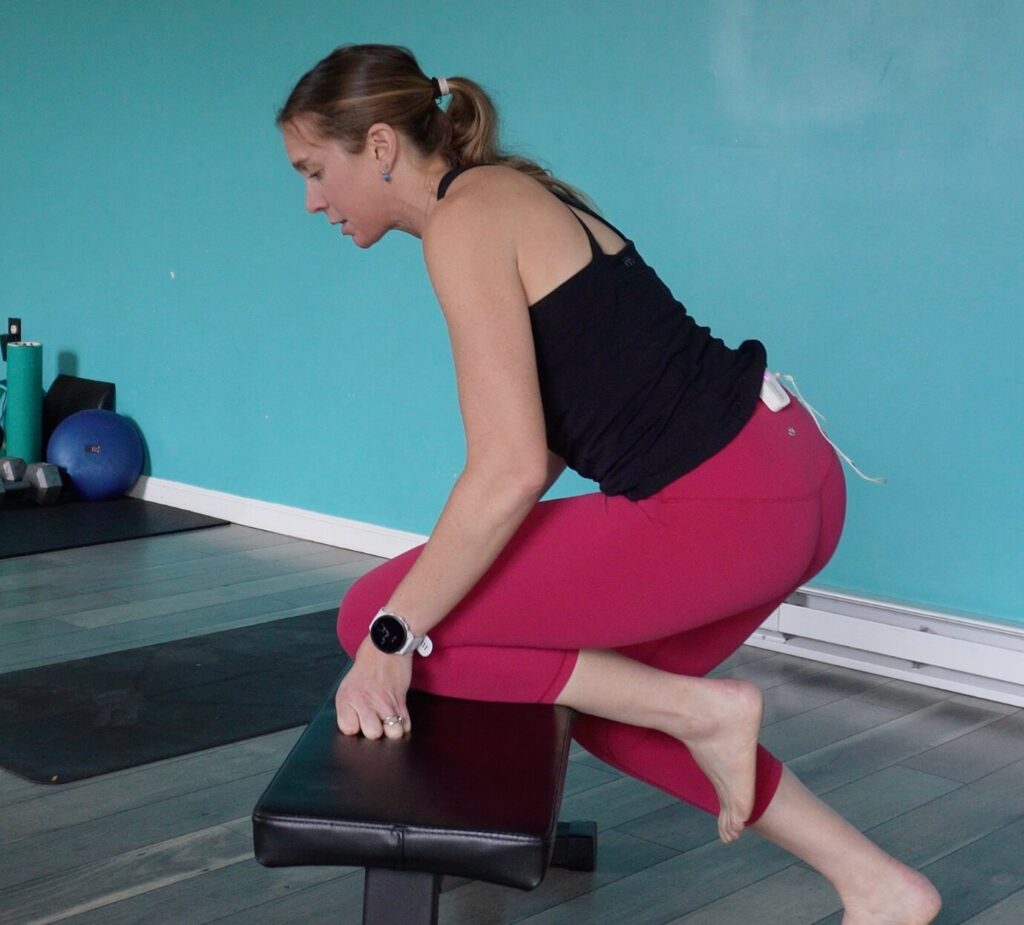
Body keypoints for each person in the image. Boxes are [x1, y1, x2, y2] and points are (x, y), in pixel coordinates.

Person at [277, 43, 941, 924]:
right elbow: (547, 442)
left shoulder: (466, 223)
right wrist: (454, 574)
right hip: (789, 473)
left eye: (317, 170)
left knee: (375, 612)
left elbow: (510, 468)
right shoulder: (510, 193)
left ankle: (710, 712)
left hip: (731, 501)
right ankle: (879, 886)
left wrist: (394, 637)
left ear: (384, 145)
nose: (313, 200)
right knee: (608, 699)